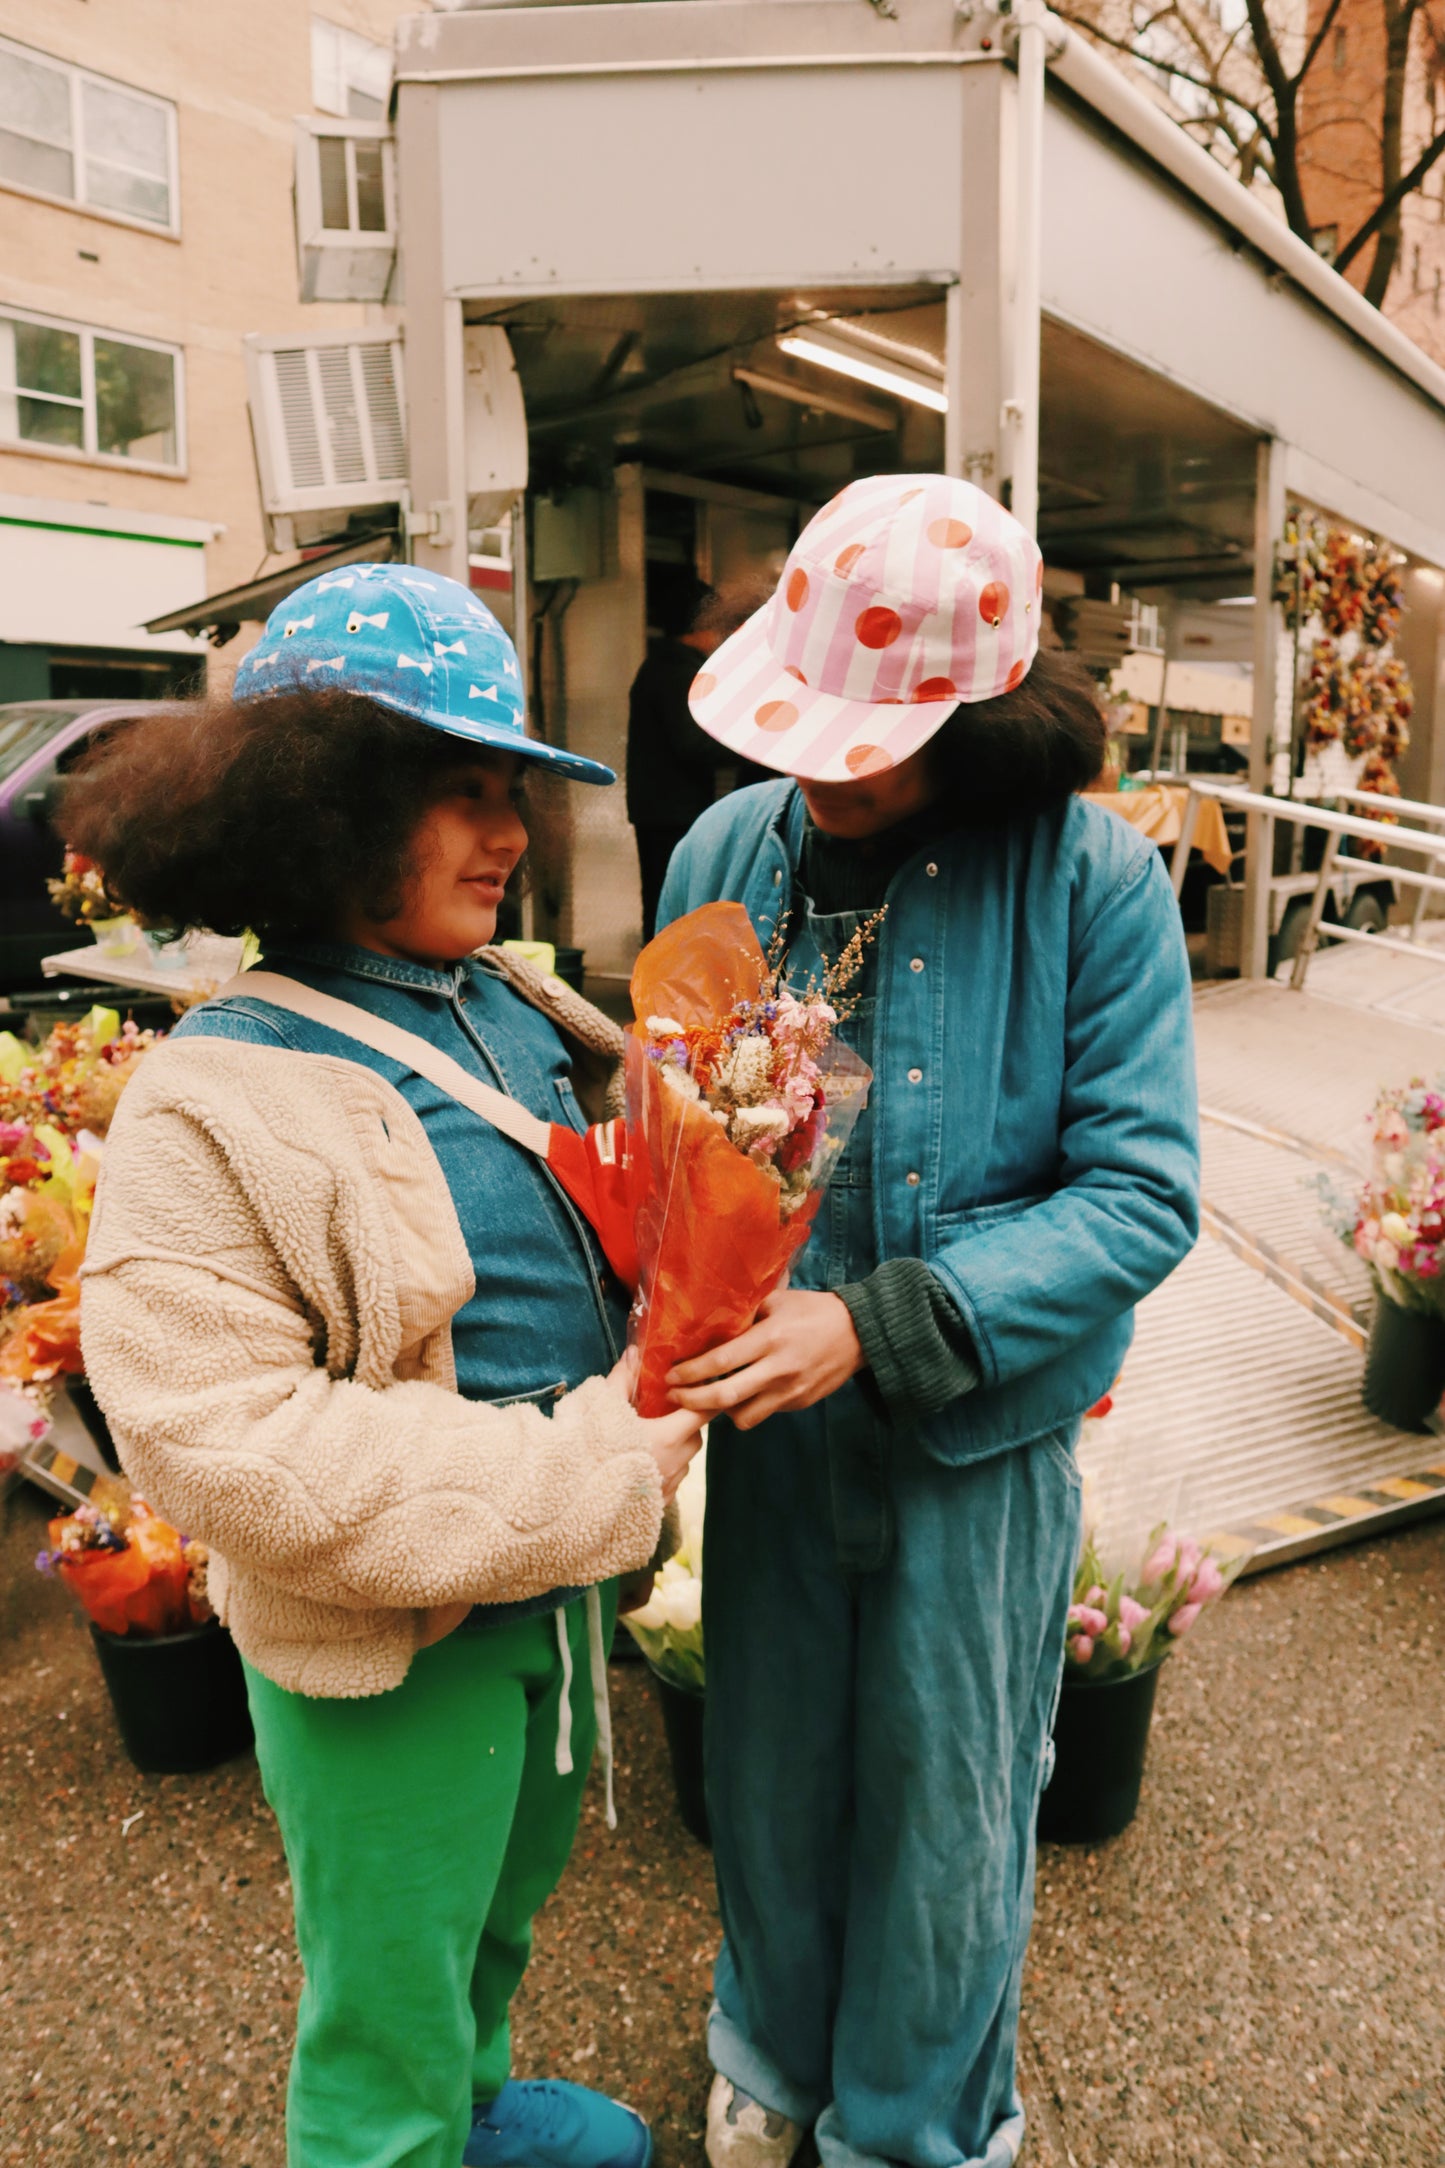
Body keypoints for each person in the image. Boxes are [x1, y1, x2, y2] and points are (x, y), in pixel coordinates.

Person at [68, 562, 704, 2168]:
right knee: (383, 2008)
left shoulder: (505, 995)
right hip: (386, 1644)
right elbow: (219, 1442)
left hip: (542, 1596)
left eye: (516, 796)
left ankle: (476, 2113)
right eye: (461, 794)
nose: (510, 834)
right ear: (326, 806)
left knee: (490, 1919)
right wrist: (592, 1464)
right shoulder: (215, 1090)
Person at [657, 475, 1200, 2168]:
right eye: (804, 723)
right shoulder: (724, 850)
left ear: (983, 707)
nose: (825, 768)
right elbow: (691, 1124)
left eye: (872, 736)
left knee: (952, 1799)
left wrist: (884, 1318)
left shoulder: (1094, 880)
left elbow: (1142, 1192)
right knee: (766, 1769)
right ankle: (772, 2051)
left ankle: (908, 2122)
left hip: (981, 1436)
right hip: (771, 1429)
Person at [625, 574, 733, 941]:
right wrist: (748, 749)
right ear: (701, 624)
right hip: (675, 812)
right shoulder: (680, 671)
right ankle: (661, 992)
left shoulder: (658, 665)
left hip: (658, 810)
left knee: (662, 902)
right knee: (674, 908)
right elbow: (693, 745)